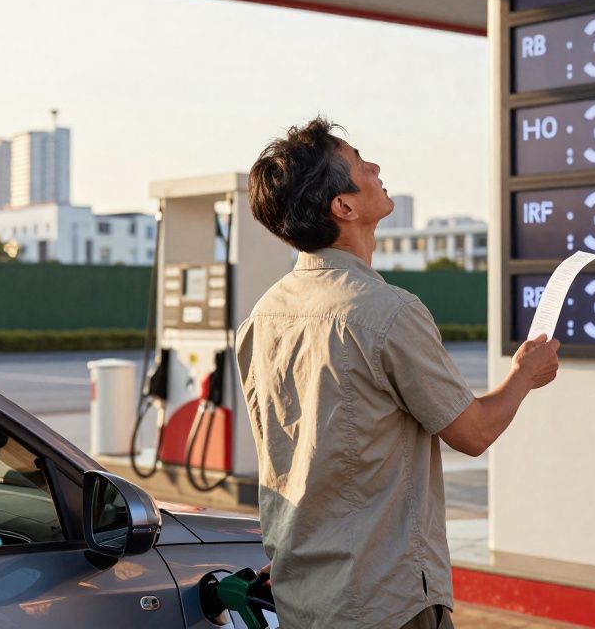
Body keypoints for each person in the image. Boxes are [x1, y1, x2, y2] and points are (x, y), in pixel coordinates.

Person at [236, 117, 560, 629]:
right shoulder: (387, 312)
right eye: (361, 162)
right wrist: (524, 375)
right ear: (342, 207)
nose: (376, 168)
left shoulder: (262, 317)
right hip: (387, 601)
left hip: (300, 597)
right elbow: (473, 433)